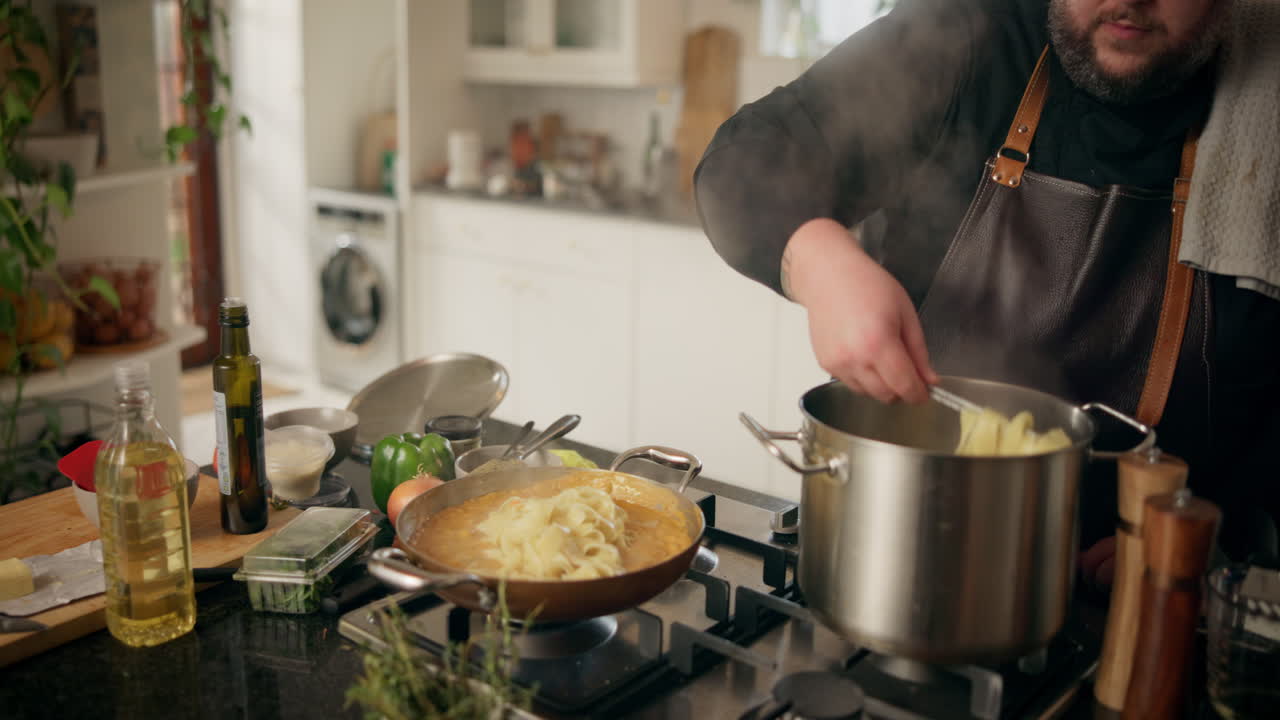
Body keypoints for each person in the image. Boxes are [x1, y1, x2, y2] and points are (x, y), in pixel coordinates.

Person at [695, 0, 1280, 578]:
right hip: (893, 542)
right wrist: (819, 261)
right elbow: (744, 158)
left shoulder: (1263, 96)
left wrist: (1215, 536)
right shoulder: (968, 33)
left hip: (1155, 590)